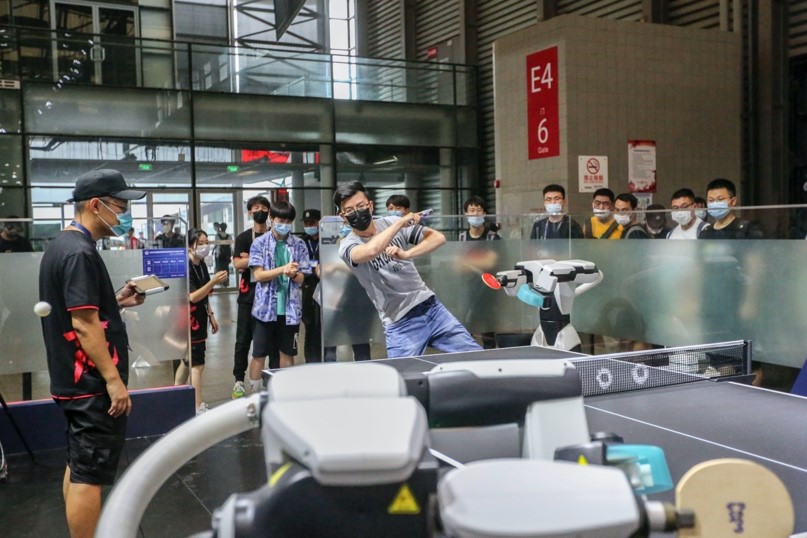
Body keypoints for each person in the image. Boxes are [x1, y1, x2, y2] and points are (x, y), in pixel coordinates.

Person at [38, 169, 146, 538]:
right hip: (89, 385)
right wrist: (114, 381)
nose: (125, 214)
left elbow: (81, 312)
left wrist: (115, 301)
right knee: (90, 474)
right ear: (96, 205)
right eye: (121, 206)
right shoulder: (79, 252)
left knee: (80, 464)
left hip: (73, 380)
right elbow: (84, 325)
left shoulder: (63, 246)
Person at [335, 181, 481, 358]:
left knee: (476, 357)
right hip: (400, 322)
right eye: (350, 211)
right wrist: (400, 223)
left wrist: (407, 253)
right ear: (343, 217)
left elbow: (438, 238)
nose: (357, 212)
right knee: (402, 376)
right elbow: (370, 251)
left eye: (361, 206)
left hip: (431, 308)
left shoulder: (391, 221)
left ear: (371, 205)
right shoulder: (347, 245)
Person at [247, 201, 309, 389]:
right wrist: (283, 269)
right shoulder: (259, 243)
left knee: (287, 353)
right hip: (264, 310)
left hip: (290, 311)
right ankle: (256, 394)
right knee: (259, 354)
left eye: (289, 221)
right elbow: (258, 275)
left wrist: (294, 275)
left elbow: (302, 278)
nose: (285, 225)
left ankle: (286, 392)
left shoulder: (299, 244)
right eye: (281, 220)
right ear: (272, 219)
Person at [174, 228, 227, 414]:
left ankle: (175, 393)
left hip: (201, 317)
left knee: (188, 361)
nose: (204, 246)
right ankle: (196, 406)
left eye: (206, 242)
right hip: (189, 320)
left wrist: (211, 315)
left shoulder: (201, 264)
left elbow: (204, 296)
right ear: (190, 246)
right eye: (200, 243)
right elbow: (193, 297)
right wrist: (213, 282)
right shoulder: (186, 266)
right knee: (197, 365)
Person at [230, 196, 276, 399]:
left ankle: (272, 378)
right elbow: (237, 264)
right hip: (247, 297)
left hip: (270, 296)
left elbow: (277, 260)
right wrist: (257, 260)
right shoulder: (243, 238)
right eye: (256, 208)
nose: (261, 211)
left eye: (264, 208)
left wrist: (249, 258)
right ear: (250, 212)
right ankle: (239, 380)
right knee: (242, 340)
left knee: (271, 340)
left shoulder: (274, 235)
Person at [458, 195, 500, 349]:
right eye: (471, 210)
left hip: (487, 291)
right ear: (466, 214)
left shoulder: (493, 238)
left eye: (479, 210)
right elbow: (457, 265)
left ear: (484, 213)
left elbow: (491, 262)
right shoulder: (462, 237)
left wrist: (468, 262)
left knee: (488, 329)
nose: (475, 214)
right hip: (468, 289)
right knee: (467, 325)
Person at [699, 178, 764, 239]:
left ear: (733, 201)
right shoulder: (705, 233)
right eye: (711, 200)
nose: (715, 203)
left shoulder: (747, 229)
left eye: (720, 199)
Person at [299, 208, 322, 362]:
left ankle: (325, 361)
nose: (309, 225)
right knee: (309, 327)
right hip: (307, 287)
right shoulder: (301, 241)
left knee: (323, 328)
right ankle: (311, 363)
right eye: (306, 222)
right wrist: (313, 270)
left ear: (319, 222)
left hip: (326, 287)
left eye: (312, 222)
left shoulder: (328, 240)